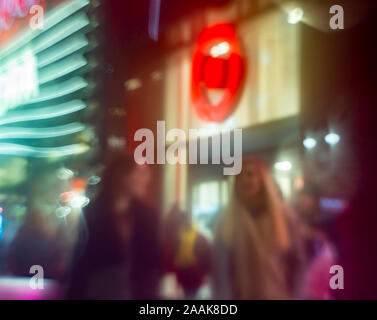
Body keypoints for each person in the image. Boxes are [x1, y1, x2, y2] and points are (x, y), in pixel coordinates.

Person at [65, 154, 162, 299]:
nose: (147, 180)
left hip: (137, 292)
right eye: (140, 173)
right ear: (122, 175)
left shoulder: (146, 215)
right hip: (101, 291)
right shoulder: (93, 213)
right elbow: (82, 260)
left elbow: (152, 260)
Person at [213, 156, 305, 299]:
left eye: (249, 174)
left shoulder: (285, 217)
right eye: (239, 177)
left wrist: (296, 295)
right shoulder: (225, 220)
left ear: (262, 179)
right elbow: (220, 271)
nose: (244, 180)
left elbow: (299, 262)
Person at [167, 209, 212, 299]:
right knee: (191, 294)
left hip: (187, 272)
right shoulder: (199, 237)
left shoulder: (178, 236)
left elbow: (172, 254)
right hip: (191, 273)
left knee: (189, 294)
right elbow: (207, 256)